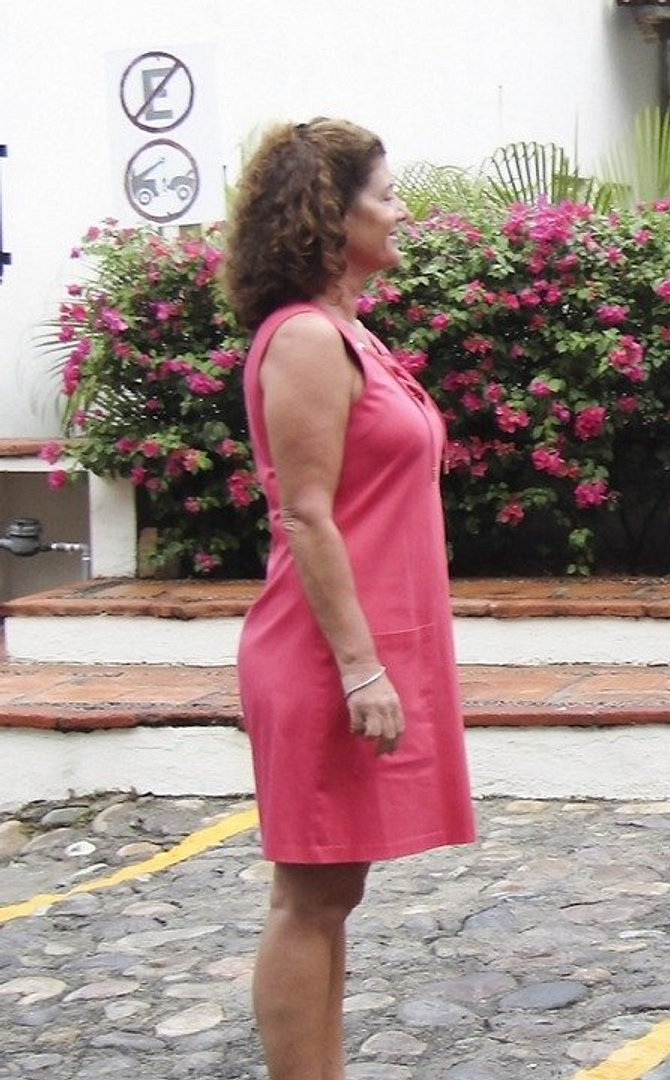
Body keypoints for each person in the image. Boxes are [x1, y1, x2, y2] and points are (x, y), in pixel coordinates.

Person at [224, 118, 475, 1080]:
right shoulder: (301, 339)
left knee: (334, 896)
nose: (401, 207)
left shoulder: (348, 334)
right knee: (308, 896)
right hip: (326, 653)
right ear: (333, 216)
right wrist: (361, 666)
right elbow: (307, 515)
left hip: (359, 648)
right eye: (384, 193)